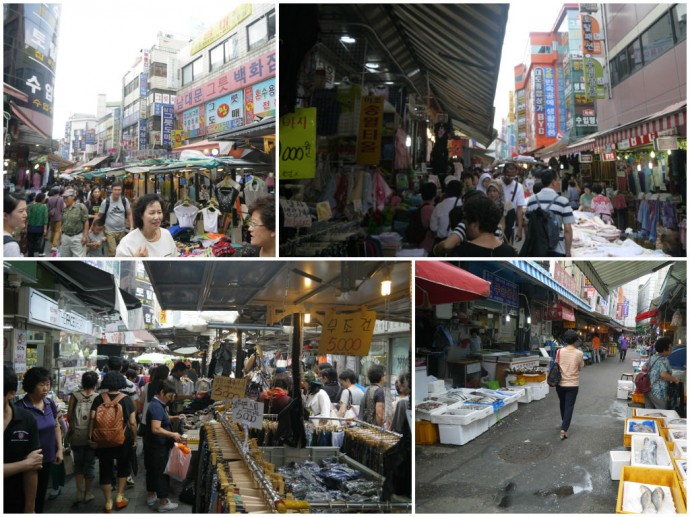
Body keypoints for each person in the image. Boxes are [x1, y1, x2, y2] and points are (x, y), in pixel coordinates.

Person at [89, 371, 137, 512]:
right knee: (123, 467)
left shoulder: (99, 398)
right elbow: (132, 422)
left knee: (105, 469)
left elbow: (92, 418)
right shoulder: (126, 399)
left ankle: (108, 502)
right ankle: (120, 497)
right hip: (123, 439)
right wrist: (135, 438)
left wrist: (90, 437)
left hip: (102, 440)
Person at [18, 367, 64, 513]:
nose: (46, 388)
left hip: (48, 457)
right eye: (41, 384)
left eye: (48, 384)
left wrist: (60, 449)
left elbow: (55, 426)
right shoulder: (20, 408)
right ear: (31, 385)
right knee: (25, 499)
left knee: (40, 496)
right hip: (27, 461)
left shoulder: (49, 403)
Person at [4, 365, 43, 514]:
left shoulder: (26, 419)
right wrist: (25, 464)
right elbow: (30, 463)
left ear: (11, 394)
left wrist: (30, 508)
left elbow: (33, 467)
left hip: (16, 501)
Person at [144, 380, 185, 512]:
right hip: (157, 446)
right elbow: (156, 428)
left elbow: (163, 418)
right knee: (161, 472)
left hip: (152, 446)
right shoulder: (156, 407)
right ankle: (163, 502)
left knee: (152, 470)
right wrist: (172, 434)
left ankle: (151, 495)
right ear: (162, 392)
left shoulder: (158, 405)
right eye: (169, 396)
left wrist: (176, 417)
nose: (170, 399)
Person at [435, 194, 517, 257]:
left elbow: (446, 246)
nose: (464, 223)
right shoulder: (510, 252)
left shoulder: (461, 253)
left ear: (475, 224)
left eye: (465, 218)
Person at [65, 370, 99, 506]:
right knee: (89, 465)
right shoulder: (98, 397)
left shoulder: (75, 395)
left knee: (78, 465)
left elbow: (69, 415)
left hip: (76, 436)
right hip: (91, 437)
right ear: (95, 383)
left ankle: (79, 493)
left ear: (82, 382)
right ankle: (88, 493)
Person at [525, 169, 574, 257]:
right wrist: (568, 251)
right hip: (557, 248)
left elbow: (527, 224)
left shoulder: (532, 200)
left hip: (536, 247)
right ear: (553, 182)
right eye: (558, 180)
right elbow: (567, 230)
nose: (559, 182)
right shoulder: (563, 201)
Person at [555, 330, 584, 440]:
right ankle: (564, 429)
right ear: (575, 340)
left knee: (562, 404)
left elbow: (556, 365)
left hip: (560, 383)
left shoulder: (559, 351)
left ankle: (564, 423)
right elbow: (579, 367)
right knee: (569, 406)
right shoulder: (579, 353)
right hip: (573, 384)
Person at [645, 337, 682, 410]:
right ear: (664, 349)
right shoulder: (664, 360)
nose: (671, 349)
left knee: (649, 413)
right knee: (662, 413)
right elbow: (663, 374)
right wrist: (675, 379)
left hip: (648, 389)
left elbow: (644, 367)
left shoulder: (653, 357)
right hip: (659, 392)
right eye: (670, 347)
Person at [99, 181, 133, 256]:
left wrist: (131, 227)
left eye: (119, 190)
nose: (117, 192)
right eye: (115, 190)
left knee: (122, 251)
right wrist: (91, 228)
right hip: (109, 231)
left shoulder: (125, 200)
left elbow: (129, 213)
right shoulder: (106, 202)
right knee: (113, 251)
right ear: (111, 190)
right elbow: (99, 216)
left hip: (122, 230)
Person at [500, 162, 527, 243]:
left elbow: (519, 208)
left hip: (510, 223)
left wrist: (519, 229)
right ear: (503, 172)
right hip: (497, 221)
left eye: (513, 176)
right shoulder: (497, 183)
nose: (510, 178)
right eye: (508, 175)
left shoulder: (519, 187)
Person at [59, 188, 89, 257]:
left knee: (78, 258)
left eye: (67, 197)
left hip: (77, 238)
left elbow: (86, 221)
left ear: (73, 197)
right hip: (65, 237)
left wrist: (85, 236)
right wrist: (61, 237)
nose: (65, 200)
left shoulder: (81, 207)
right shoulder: (64, 209)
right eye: (63, 198)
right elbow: (62, 223)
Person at [4, 190, 27, 257]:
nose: (25, 215)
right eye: (21, 211)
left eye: (25, 210)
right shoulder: (10, 245)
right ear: (5, 215)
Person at [26, 192, 49, 257]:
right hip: (40, 228)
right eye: (44, 198)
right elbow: (45, 219)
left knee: (30, 242)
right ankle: (40, 252)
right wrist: (45, 229)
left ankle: (30, 254)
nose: (45, 199)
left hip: (31, 227)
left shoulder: (30, 206)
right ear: (42, 199)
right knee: (39, 241)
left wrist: (26, 227)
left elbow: (28, 217)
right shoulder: (44, 207)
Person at [417, 181, 437, 254]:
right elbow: (434, 229)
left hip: (421, 241)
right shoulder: (430, 209)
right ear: (434, 194)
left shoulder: (421, 206)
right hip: (428, 243)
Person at [46, 186, 64, 252]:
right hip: (59, 217)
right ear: (59, 192)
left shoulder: (50, 199)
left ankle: (52, 241)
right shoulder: (61, 199)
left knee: (53, 230)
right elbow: (62, 209)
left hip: (52, 217)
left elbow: (47, 208)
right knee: (57, 231)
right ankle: (54, 245)